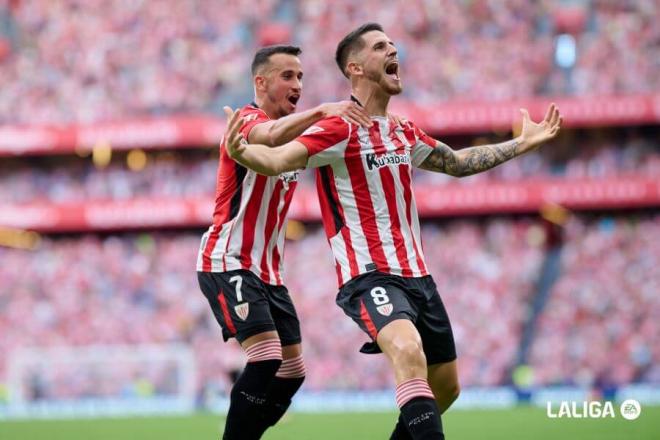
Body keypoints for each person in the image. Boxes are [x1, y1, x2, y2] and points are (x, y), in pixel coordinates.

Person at [221, 23, 562, 440]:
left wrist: (520, 145)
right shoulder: (338, 129)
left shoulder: (402, 130)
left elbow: (456, 162)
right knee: (405, 349)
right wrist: (243, 151)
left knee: (446, 388)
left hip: (419, 277)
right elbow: (279, 160)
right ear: (356, 68)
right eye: (381, 46)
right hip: (369, 276)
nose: (393, 50)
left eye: (393, 45)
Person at [196, 44, 372, 440]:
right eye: (288, 76)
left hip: (269, 274)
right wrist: (323, 110)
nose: (298, 84)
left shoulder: (298, 139)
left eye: (301, 77)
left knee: (293, 371)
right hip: (229, 260)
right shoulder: (244, 120)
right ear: (260, 82)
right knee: (266, 357)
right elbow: (268, 134)